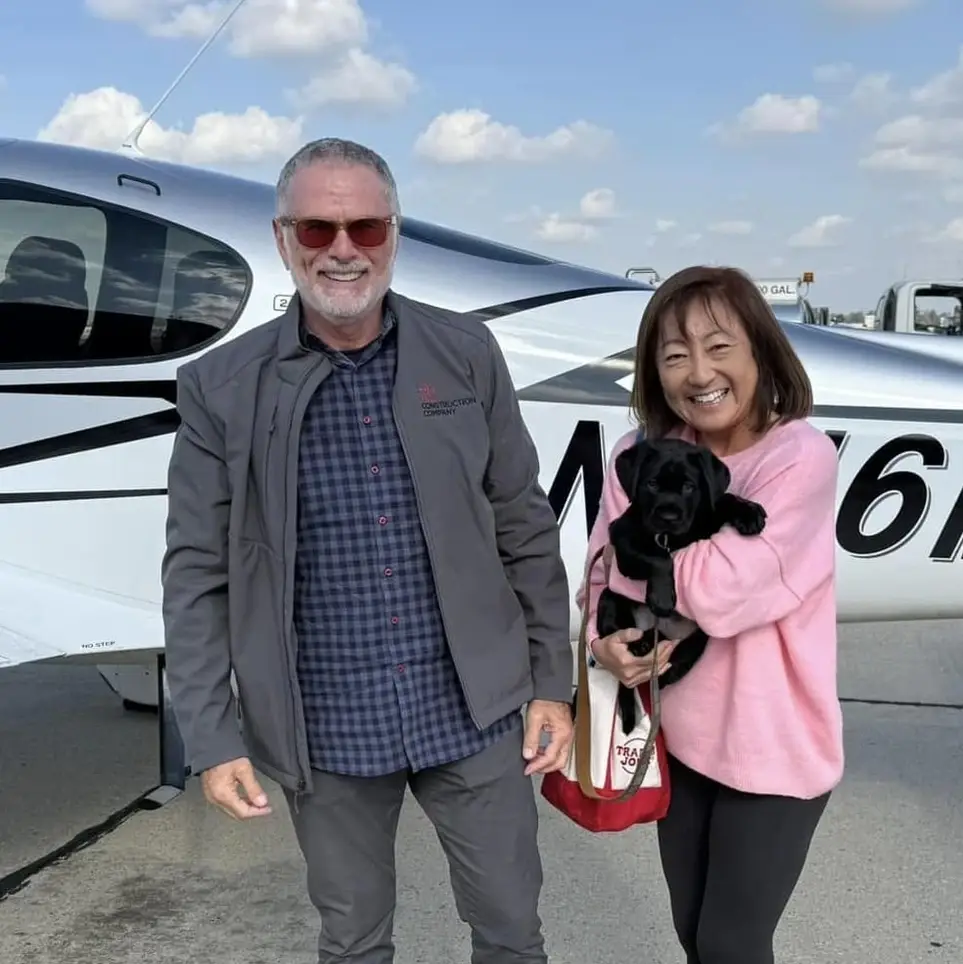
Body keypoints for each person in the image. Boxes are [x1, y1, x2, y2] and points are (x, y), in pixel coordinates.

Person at [160, 136, 574, 964]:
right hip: (327, 728)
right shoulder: (221, 387)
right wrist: (212, 737)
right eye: (316, 230)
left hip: (475, 710)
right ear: (283, 241)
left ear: (394, 233)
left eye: (364, 228)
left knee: (510, 930)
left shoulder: (464, 353)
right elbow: (196, 576)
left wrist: (549, 684)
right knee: (352, 941)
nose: (342, 250)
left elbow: (522, 524)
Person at [579, 264, 843, 964]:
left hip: (773, 748)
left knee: (731, 943)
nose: (698, 372)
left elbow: (723, 592)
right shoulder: (636, 453)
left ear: (759, 349)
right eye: (673, 354)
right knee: (695, 934)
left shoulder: (800, 457)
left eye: (718, 345)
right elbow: (598, 577)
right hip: (681, 739)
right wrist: (601, 640)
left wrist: (641, 560)